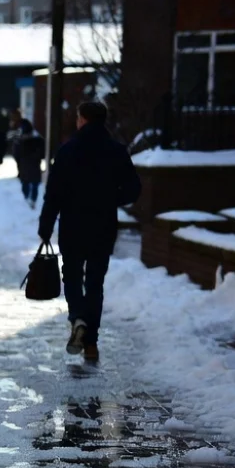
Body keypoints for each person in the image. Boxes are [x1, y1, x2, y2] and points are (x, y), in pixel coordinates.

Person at [39, 100, 141, 363]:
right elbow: (133, 189)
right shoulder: (117, 151)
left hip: (72, 225)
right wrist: (110, 198)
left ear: (82, 119)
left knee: (72, 276)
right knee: (95, 282)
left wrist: (46, 224)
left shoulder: (67, 151)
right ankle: (91, 343)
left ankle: (78, 320)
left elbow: (54, 193)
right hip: (102, 225)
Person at [14, 119, 45, 209]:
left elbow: (16, 153)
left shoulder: (20, 139)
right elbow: (42, 152)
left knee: (25, 183)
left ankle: (27, 199)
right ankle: (32, 200)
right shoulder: (38, 138)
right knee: (34, 183)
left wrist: (18, 162)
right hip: (34, 164)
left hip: (24, 165)